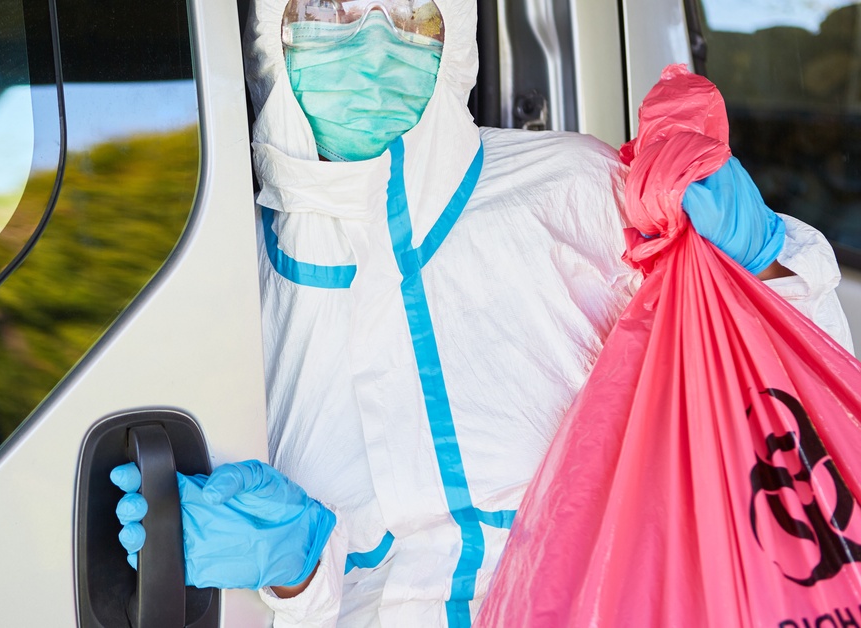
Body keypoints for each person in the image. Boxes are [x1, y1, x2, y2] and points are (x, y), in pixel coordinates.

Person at [112, 0, 856, 625]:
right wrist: (300, 570)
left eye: (408, 10)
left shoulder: (570, 193)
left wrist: (762, 263)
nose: (374, 39)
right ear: (271, 28)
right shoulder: (222, 282)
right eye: (330, 6)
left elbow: (780, 408)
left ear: (456, 30)